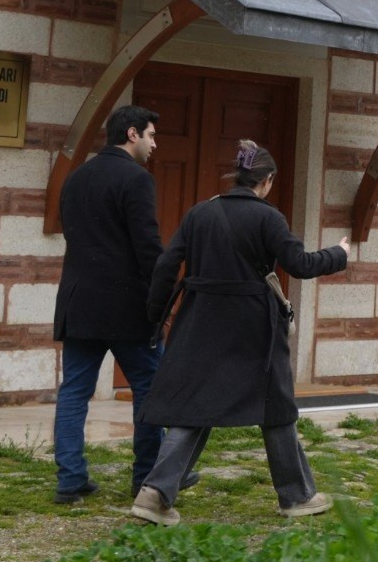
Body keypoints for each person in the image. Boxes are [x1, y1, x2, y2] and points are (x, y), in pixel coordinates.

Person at [131, 142, 350, 526]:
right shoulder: (269, 218)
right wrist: (339, 253)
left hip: (200, 322)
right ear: (267, 181)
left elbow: (167, 265)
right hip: (255, 328)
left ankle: (154, 494)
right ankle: (297, 496)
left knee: (191, 407)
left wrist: (155, 315)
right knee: (276, 406)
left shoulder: (199, 213)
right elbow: (300, 264)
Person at [52, 104, 164, 506]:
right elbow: (147, 246)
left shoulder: (75, 176)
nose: (154, 145)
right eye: (151, 135)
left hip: (79, 301)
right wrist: (164, 294)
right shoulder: (136, 179)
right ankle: (148, 478)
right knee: (150, 390)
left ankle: (70, 481)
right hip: (127, 305)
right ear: (132, 134)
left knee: (73, 392)